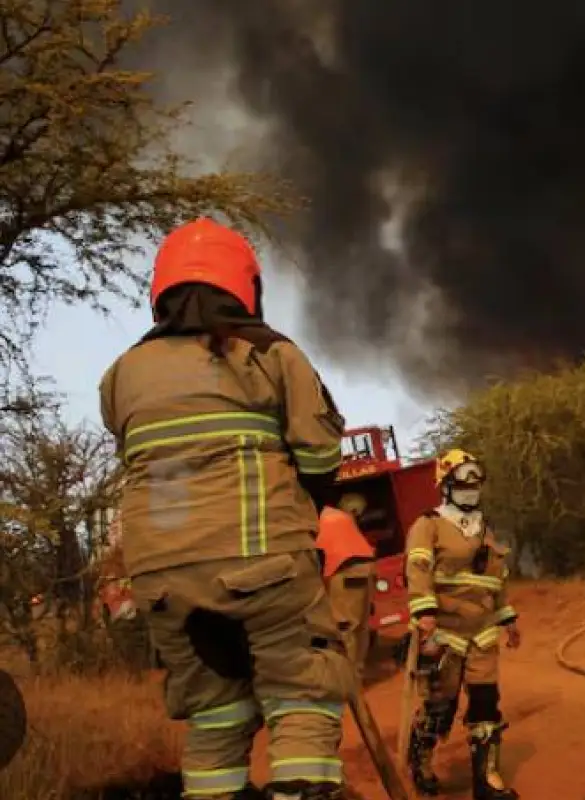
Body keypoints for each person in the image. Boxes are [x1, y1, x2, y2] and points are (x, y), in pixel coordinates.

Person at [99, 218, 354, 800]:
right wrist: (307, 516)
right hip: (264, 563)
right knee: (302, 692)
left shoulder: (121, 374)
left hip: (162, 580)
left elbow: (135, 457)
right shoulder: (268, 352)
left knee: (216, 714)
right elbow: (319, 454)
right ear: (245, 286)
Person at [404, 449, 521, 800]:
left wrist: (508, 618)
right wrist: (424, 612)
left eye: (476, 485)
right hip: (444, 630)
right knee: (441, 705)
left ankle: (487, 782)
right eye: (462, 484)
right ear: (445, 486)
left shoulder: (485, 528)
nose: (471, 491)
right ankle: (420, 761)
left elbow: (496, 580)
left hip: (483, 632)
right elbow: (418, 569)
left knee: (486, 703)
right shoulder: (429, 524)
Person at [316, 493, 378, 672]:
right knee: (361, 627)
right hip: (367, 568)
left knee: (345, 627)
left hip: (345, 570)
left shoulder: (316, 520)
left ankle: (348, 677)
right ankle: (357, 670)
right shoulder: (339, 517)